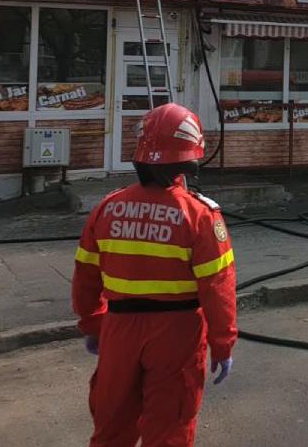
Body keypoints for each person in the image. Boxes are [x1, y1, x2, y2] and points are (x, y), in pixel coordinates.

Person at [72, 103, 237, 447]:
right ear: (189, 159)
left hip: (118, 331)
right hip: (177, 334)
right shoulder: (201, 216)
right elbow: (218, 290)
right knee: (169, 430)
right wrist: (223, 345)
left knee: (110, 428)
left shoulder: (107, 207)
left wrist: (92, 325)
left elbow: (86, 279)